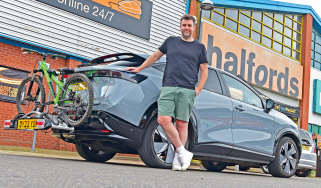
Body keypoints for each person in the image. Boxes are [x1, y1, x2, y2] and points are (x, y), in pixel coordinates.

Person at [125, 14, 208, 171]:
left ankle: (178, 160)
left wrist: (199, 89)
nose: (186, 28)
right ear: (180, 26)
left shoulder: (199, 47)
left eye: (189, 25)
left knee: (182, 124)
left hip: (187, 90)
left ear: (194, 27)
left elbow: (204, 70)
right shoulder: (171, 41)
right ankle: (183, 151)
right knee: (163, 119)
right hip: (168, 87)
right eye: (184, 25)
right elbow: (156, 56)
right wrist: (139, 68)